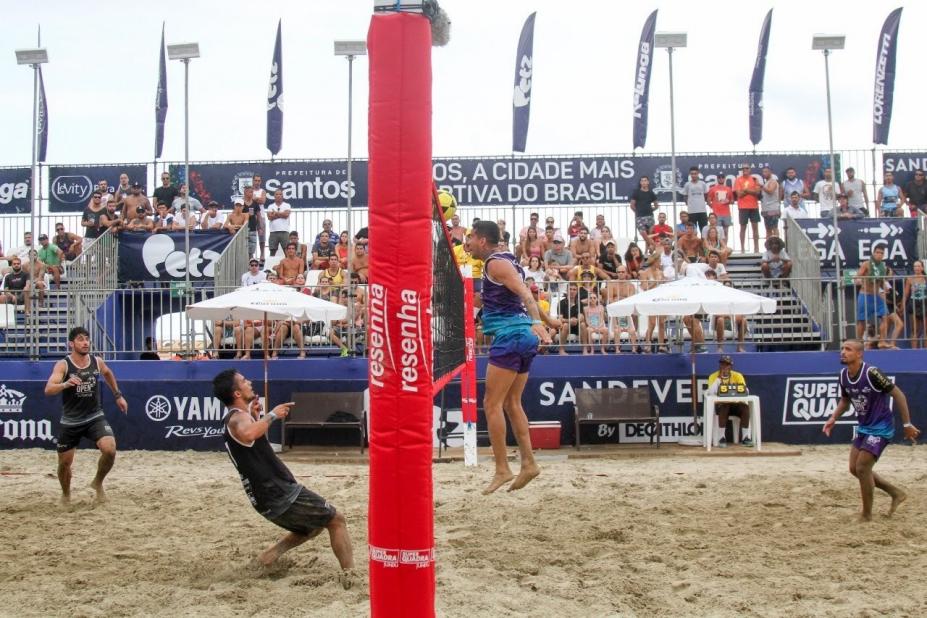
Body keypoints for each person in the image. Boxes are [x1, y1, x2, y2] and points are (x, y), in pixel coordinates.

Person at [212, 369, 356, 582]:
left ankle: (269, 557)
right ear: (237, 394)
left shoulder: (239, 417)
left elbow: (253, 442)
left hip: (263, 496)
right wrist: (272, 415)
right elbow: (248, 433)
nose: (249, 382)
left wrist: (258, 417)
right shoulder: (237, 418)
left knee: (313, 526)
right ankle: (351, 576)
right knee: (336, 519)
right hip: (277, 491)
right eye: (244, 380)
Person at [465, 220, 551, 494]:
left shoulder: (495, 264)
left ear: (482, 240)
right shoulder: (504, 263)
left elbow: (526, 293)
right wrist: (551, 320)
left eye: (470, 237)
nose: (466, 242)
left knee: (492, 404)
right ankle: (529, 464)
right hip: (521, 336)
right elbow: (507, 299)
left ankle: (502, 468)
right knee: (512, 403)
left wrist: (538, 321)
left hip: (512, 336)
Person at [822, 340, 920, 522]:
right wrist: (833, 417)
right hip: (865, 427)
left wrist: (907, 425)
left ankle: (866, 515)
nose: (843, 352)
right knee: (854, 468)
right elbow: (845, 400)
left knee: (862, 467)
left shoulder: (872, 372)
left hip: (882, 427)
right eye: (842, 349)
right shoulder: (843, 375)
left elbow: (898, 394)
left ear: (859, 354)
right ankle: (895, 492)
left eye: (848, 349)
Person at [43, 327, 128, 504]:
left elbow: (108, 373)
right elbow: (49, 389)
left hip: (94, 416)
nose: (85, 342)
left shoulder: (96, 361)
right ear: (71, 344)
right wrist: (65, 384)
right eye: (81, 339)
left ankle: (97, 483)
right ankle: (66, 494)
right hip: (71, 420)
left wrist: (118, 395)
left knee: (110, 449)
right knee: (64, 464)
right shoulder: (63, 364)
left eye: (87, 339)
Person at [706, 355, 752, 447]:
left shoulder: (737, 375)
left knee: (745, 408)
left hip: (735, 404)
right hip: (721, 405)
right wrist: (719, 379)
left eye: (727, 364)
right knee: (724, 407)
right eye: (722, 364)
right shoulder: (713, 376)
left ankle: (745, 437)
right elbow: (710, 392)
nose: (724, 367)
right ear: (719, 365)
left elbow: (746, 391)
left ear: (730, 366)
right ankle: (721, 438)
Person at [734, 164, 761, 253]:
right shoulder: (738, 180)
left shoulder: (754, 179)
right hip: (743, 207)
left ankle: (756, 249)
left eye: (747, 168)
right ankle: (742, 249)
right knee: (743, 228)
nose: (745, 169)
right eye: (743, 168)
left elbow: (757, 192)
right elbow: (739, 195)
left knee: (755, 228)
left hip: (754, 206)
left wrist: (745, 190)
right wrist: (750, 191)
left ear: (750, 169)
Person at [902, 260, 927, 348]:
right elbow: (906, 294)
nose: (916, 268)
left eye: (918, 266)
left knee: (925, 329)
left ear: (922, 267)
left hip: (924, 302)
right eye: (915, 266)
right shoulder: (910, 278)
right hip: (913, 303)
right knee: (914, 329)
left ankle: (925, 351)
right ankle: (914, 351)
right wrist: (902, 306)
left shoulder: (925, 277)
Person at [630, 176, 659, 250]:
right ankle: (655, 246)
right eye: (642, 181)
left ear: (648, 182)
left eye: (645, 180)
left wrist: (650, 210)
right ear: (640, 183)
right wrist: (637, 212)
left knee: (650, 235)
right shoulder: (636, 192)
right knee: (643, 234)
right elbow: (632, 205)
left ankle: (647, 252)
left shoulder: (651, 193)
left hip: (650, 216)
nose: (644, 182)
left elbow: (656, 205)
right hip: (640, 217)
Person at [707, 172, 735, 238]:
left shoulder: (728, 189)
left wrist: (728, 201)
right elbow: (708, 199)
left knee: (726, 232)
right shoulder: (713, 189)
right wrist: (712, 206)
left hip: (726, 213)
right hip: (716, 214)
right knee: (716, 232)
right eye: (719, 177)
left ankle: (724, 247)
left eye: (722, 177)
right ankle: (718, 247)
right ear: (717, 179)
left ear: (724, 179)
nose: (721, 179)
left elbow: (732, 201)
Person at [682, 167, 709, 233]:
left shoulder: (702, 184)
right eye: (692, 174)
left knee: (704, 231)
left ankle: (703, 243)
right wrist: (689, 204)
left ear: (698, 174)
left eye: (695, 173)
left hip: (702, 210)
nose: (693, 175)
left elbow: (706, 195)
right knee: (692, 231)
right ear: (690, 174)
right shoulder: (687, 184)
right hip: (692, 211)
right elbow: (685, 196)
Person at [265, 189, 291, 256]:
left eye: (280, 194)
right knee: (272, 252)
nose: (278, 196)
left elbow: (286, 215)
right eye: (277, 194)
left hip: (284, 231)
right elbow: (270, 217)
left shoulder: (287, 205)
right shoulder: (270, 206)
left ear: (282, 196)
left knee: (287, 252)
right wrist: (281, 214)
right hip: (273, 232)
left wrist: (275, 213)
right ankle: (270, 266)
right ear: (274, 196)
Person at [759, 166, 781, 236]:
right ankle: (769, 246)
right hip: (766, 209)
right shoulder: (766, 182)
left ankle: (777, 245)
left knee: (774, 228)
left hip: (773, 209)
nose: (764, 173)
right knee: (768, 229)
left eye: (766, 172)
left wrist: (761, 186)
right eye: (763, 172)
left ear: (770, 172)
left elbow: (770, 191)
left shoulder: (773, 181)